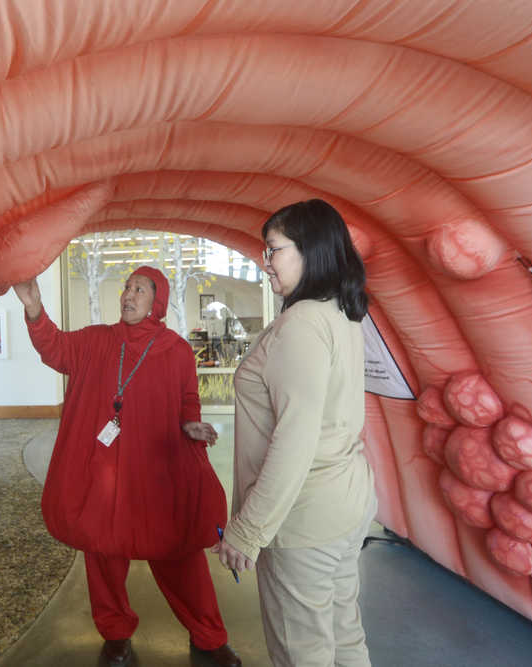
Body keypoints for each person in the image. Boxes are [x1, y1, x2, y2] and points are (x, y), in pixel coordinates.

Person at [13, 265, 242, 667]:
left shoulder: (177, 349)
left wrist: (192, 424)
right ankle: (115, 635)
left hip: (158, 472)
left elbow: (188, 398)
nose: (128, 295)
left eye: (139, 289)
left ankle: (209, 637)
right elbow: (55, 348)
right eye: (127, 288)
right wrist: (34, 308)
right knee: (103, 552)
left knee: (179, 553)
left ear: (158, 302)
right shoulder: (97, 340)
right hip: (105, 474)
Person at [213, 199, 377, 667]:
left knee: (303, 652)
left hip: (305, 518)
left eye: (274, 250)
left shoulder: (301, 325)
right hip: (343, 502)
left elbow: (294, 441)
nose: (265, 263)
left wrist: (248, 531)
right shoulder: (338, 312)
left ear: (312, 250)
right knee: (344, 637)